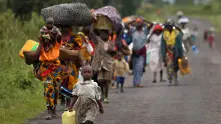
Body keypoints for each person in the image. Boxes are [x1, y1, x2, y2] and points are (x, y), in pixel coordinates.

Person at [36, 17, 71, 120]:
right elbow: (37, 53)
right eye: (48, 24)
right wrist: (41, 42)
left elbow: (59, 37)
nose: (49, 38)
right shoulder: (42, 45)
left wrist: (57, 35)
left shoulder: (57, 43)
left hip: (56, 68)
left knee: (55, 89)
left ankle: (54, 109)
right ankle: (49, 112)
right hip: (45, 68)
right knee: (48, 89)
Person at [161, 19, 184, 86]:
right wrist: (163, 54)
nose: (169, 28)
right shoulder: (164, 34)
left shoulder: (176, 33)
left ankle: (175, 79)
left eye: (170, 26)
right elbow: (163, 45)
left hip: (176, 52)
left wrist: (181, 54)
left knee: (175, 67)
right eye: (167, 26)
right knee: (169, 66)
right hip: (168, 52)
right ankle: (170, 79)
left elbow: (180, 44)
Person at [130, 18, 149, 87]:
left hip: (142, 52)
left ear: (142, 24)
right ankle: (135, 83)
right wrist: (134, 20)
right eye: (137, 23)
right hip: (135, 52)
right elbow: (126, 25)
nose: (138, 24)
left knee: (140, 68)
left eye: (140, 23)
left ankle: (138, 82)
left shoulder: (145, 31)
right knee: (135, 68)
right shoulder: (133, 31)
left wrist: (144, 20)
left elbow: (152, 25)